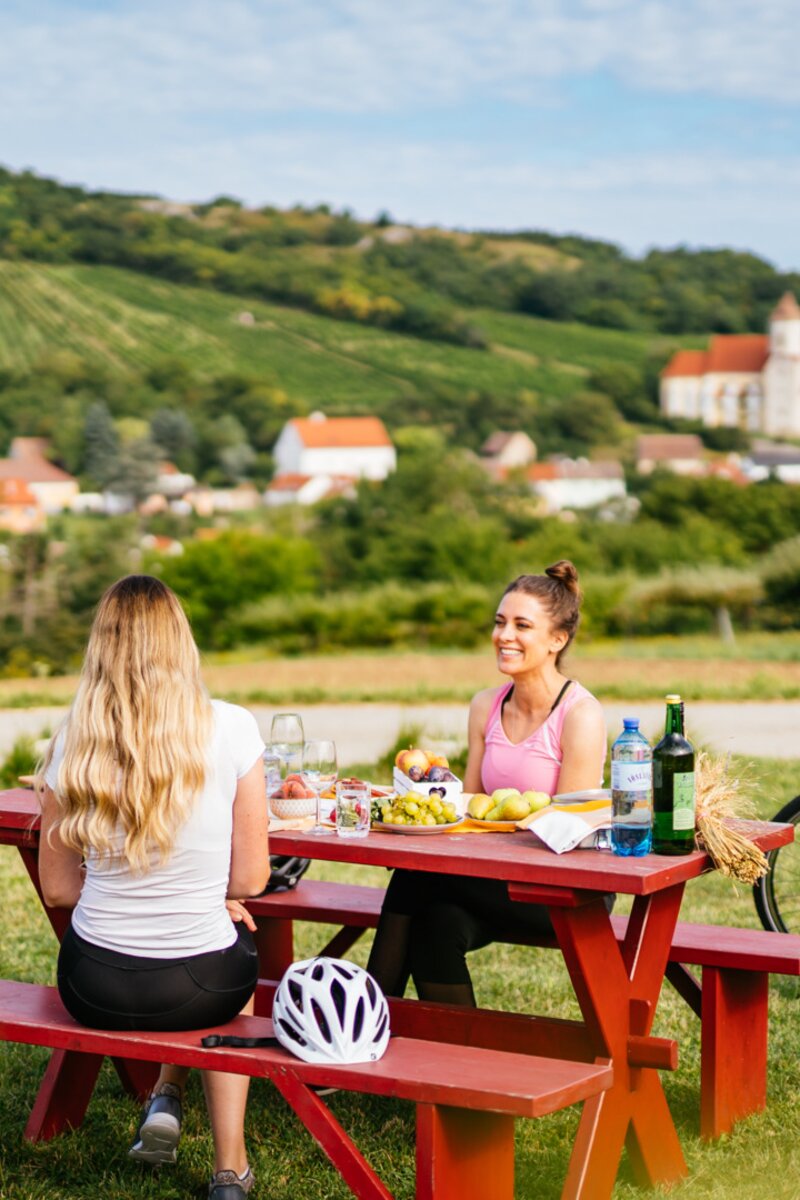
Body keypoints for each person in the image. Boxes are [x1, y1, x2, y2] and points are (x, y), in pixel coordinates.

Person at [37, 575, 269, 1200]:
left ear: (101, 647)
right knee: (235, 941)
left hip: (92, 984)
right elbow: (250, 880)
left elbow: (58, 891)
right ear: (181, 643)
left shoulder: (73, 741)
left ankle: (166, 1095)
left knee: (206, 935)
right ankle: (230, 1168)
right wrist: (208, 895)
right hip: (200, 989)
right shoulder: (232, 727)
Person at [366, 560, 607, 1007]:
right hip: (491, 878)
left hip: (563, 888)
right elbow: (469, 805)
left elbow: (569, 830)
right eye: (500, 623)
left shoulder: (580, 714)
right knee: (434, 924)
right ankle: (457, 1058)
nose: (504, 636)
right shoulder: (485, 705)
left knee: (412, 881)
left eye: (521, 625)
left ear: (558, 639)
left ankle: (360, 1024)